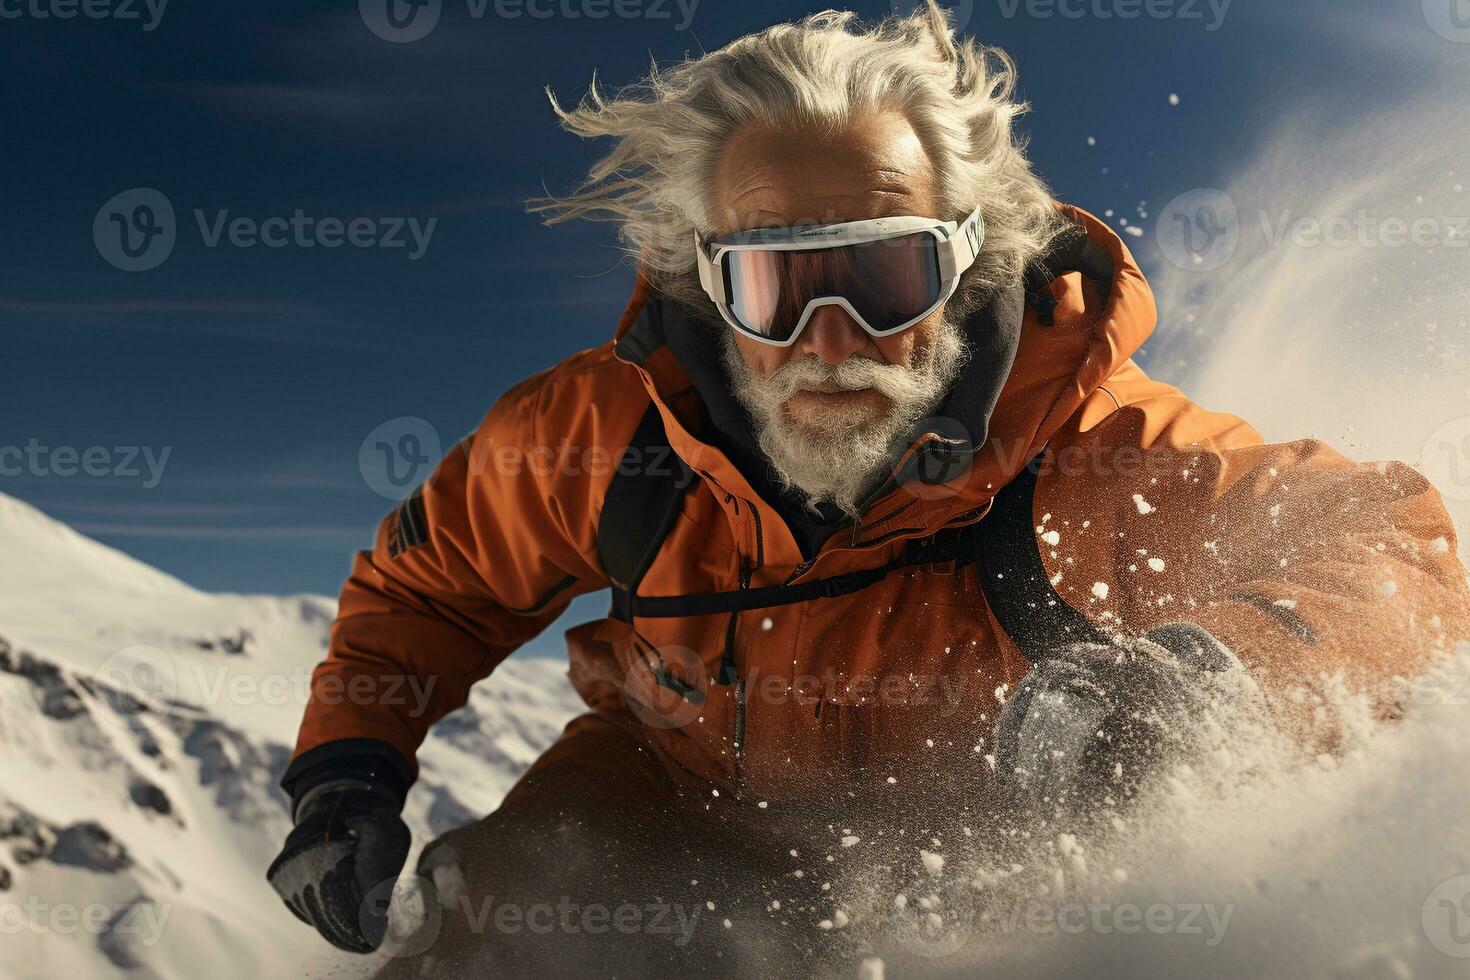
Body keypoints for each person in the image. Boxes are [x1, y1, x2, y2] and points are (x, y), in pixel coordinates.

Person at [266, 3, 1470, 975]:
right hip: (667, 805)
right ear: (709, 287)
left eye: (885, 274)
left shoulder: (1089, 452)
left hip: (973, 871)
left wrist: (1208, 686)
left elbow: (1389, 537)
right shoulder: (608, 438)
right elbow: (432, 583)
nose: (829, 340)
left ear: (967, 265)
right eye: (776, 288)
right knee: (505, 929)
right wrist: (347, 770)